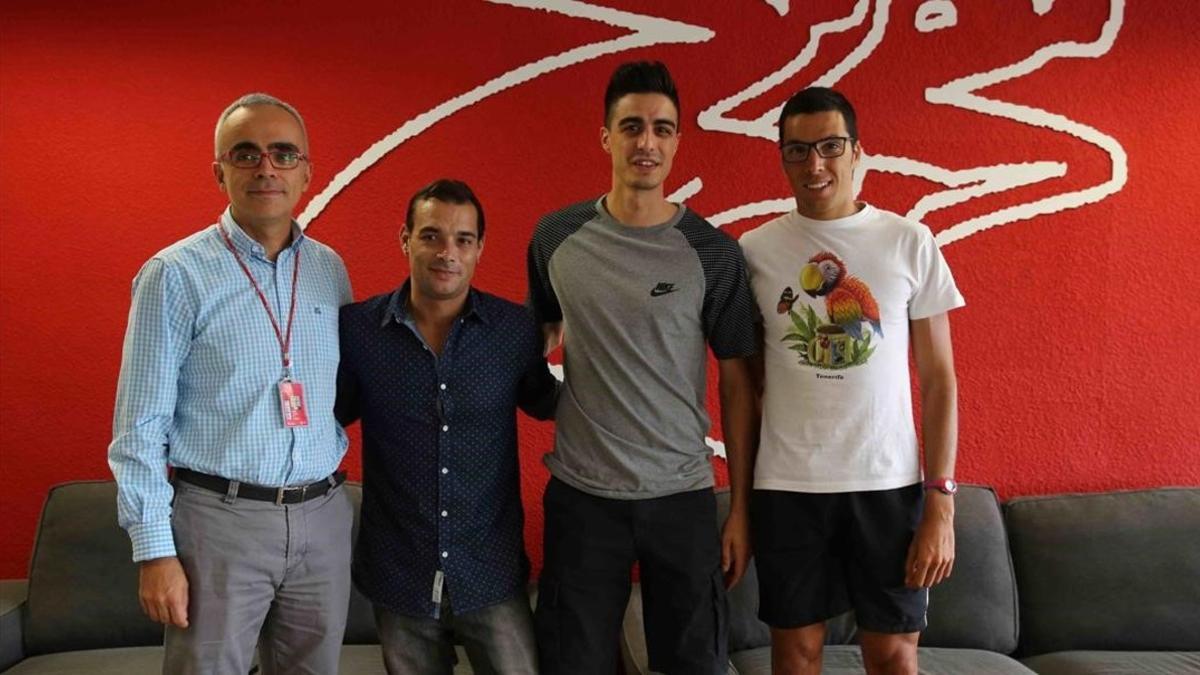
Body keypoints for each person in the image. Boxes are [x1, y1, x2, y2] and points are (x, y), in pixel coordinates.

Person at [108, 92, 354, 674]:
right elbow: (138, 428)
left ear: (307, 173)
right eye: (245, 154)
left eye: (283, 153)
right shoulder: (174, 275)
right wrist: (154, 551)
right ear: (219, 172)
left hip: (322, 518)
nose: (265, 167)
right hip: (220, 523)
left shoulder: (329, 269)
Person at [526, 61, 759, 675]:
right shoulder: (556, 238)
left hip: (681, 498)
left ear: (679, 140)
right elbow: (540, 331)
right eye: (631, 127)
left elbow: (739, 381)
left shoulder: (713, 250)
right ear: (606, 137)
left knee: (696, 664)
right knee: (572, 663)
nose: (646, 142)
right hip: (582, 498)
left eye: (662, 128)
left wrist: (740, 506)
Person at [739, 86, 964, 675]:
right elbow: (747, 383)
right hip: (787, 484)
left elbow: (939, 380)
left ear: (858, 151)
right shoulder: (754, 251)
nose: (815, 164)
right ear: (782, 157)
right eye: (797, 150)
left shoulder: (909, 241)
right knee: (797, 654)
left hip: (888, 484)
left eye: (830, 146)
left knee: (893, 654)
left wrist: (940, 499)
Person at [337, 179, 558, 674]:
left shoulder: (513, 331)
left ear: (480, 248)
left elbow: (550, 404)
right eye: (432, 235)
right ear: (405, 239)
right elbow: (325, 421)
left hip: (491, 572)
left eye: (462, 239)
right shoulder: (357, 331)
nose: (447, 252)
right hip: (400, 575)